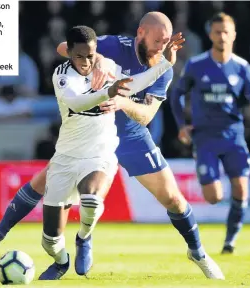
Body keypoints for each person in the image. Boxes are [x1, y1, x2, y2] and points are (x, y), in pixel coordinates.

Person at [0, 12, 224, 280]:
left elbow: (147, 115)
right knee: (44, 184)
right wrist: (99, 58)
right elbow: (64, 48)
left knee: (173, 198)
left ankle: (197, 252)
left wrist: (122, 102)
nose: (162, 47)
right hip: (91, 132)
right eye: (158, 40)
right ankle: (3, 235)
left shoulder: (163, 67)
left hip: (131, 136)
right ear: (141, 33)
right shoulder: (115, 46)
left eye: (165, 41)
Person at [38, 25, 182, 280]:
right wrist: (108, 91)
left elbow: (135, 84)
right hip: (66, 158)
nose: (86, 62)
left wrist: (165, 65)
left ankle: (83, 236)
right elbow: (77, 102)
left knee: (92, 200)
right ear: (69, 53)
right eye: (80, 56)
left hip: (99, 153)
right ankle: (61, 261)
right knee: (50, 239)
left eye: (91, 55)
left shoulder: (106, 68)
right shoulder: (62, 76)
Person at [170, 12, 250, 254]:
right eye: (217, 32)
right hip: (205, 137)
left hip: (234, 136)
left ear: (233, 35)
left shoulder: (242, 68)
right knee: (214, 196)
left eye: (226, 32)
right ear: (210, 34)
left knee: (241, 190)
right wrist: (182, 125)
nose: (222, 36)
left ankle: (230, 242)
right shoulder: (197, 65)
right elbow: (176, 95)